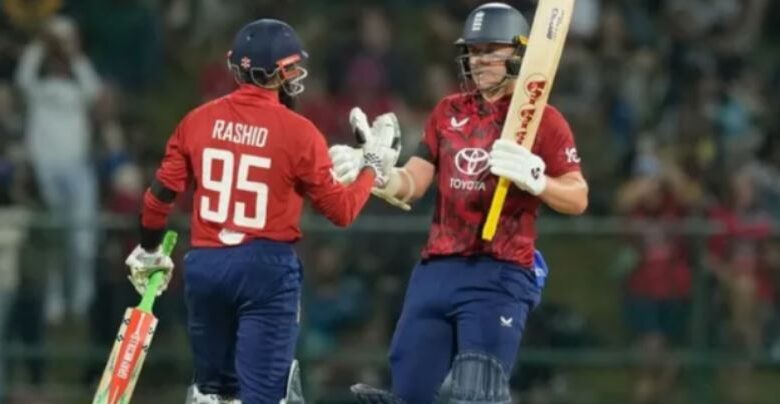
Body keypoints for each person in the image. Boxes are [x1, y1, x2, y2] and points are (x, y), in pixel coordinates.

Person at [124, 19, 400, 404]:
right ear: (280, 71)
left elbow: (157, 199)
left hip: (206, 266)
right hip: (265, 269)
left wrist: (150, 248)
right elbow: (342, 211)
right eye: (292, 67)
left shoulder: (196, 120)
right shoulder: (300, 132)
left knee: (213, 394)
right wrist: (370, 167)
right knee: (266, 396)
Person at [329, 3, 589, 403]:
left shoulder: (544, 120)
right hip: (437, 269)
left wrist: (536, 178)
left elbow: (577, 196)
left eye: (491, 50)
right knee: (408, 392)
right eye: (473, 50)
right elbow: (413, 183)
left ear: (519, 52)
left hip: (499, 272)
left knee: (478, 393)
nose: (479, 60)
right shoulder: (447, 111)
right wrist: (377, 173)